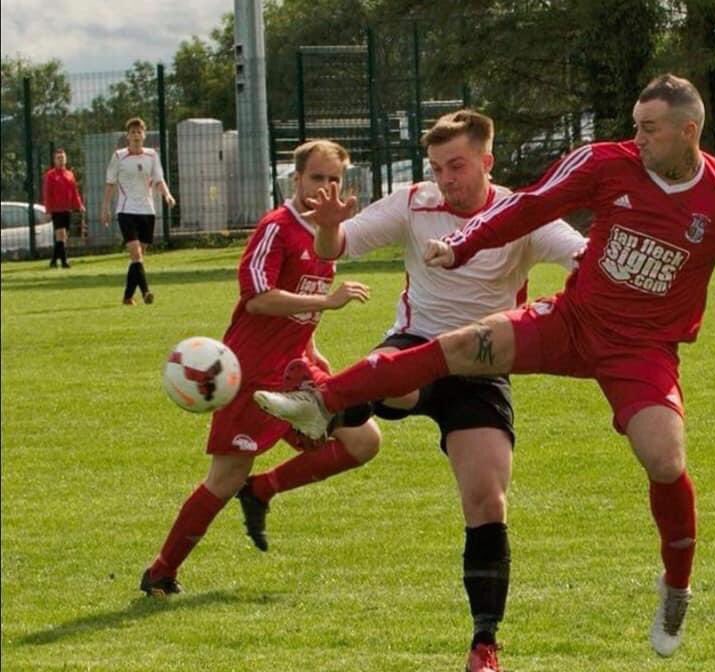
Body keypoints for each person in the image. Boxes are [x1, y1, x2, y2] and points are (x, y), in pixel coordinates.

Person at [254, 75, 715, 659]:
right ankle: (325, 398)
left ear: (688, 131)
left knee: (664, 460)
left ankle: (676, 588)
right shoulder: (605, 163)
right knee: (458, 347)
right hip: (569, 323)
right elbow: (532, 204)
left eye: (649, 128)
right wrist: (465, 242)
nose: (637, 138)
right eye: (635, 125)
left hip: (640, 352)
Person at [246, 110, 585, 672]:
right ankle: (324, 403)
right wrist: (330, 225)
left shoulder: (521, 214)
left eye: (457, 166)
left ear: (487, 162)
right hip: (414, 343)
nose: (446, 178)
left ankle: (484, 645)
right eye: (437, 167)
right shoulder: (413, 201)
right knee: (397, 378)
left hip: (481, 366)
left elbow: (580, 251)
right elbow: (336, 249)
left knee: (486, 501)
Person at [139, 140, 380, 598]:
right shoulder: (276, 228)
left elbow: (300, 306)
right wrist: (326, 302)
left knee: (363, 440)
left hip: (295, 369)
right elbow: (259, 298)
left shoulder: (327, 234)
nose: (326, 188)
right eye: (317, 178)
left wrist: (314, 347)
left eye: (335, 180)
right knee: (225, 477)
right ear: (296, 180)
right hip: (249, 375)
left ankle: (264, 489)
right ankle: (161, 571)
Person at [100, 117, 176, 305]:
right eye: (132, 132)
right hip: (126, 211)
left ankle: (127, 297)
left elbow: (159, 179)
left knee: (139, 257)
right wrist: (105, 207)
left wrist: (167, 195)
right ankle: (146, 292)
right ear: (127, 136)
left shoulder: (152, 155)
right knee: (136, 254)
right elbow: (110, 183)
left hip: (147, 211)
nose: (136, 135)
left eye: (139, 132)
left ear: (144, 135)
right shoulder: (119, 156)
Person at [42, 148, 85, 268]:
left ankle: (53, 261)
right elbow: (47, 194)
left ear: (66, 159)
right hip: (56, 210)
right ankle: (64, 262)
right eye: (58, 158)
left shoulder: (69, 174)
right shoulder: (50, 175)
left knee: (63, 236)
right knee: (60, 234)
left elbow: (74, 191)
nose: (61, 160)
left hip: (67, 209)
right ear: (54, 160)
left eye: (63, 158)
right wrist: (48, 210)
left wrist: (79, 205)